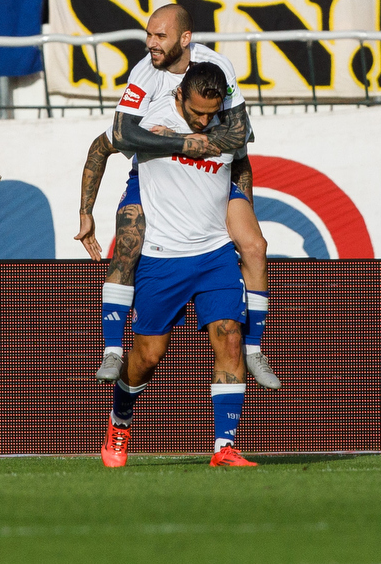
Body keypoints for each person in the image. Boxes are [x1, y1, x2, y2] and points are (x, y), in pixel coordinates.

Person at [76, 5, 276, 390]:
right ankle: (113, 349)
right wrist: (181, 143)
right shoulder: (146, 76)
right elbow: (119, 134)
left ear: (185, 39)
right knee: (129, 240)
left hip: (215, 184)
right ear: (180, 96)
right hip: (154, 177)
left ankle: (254, 349)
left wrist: (243, 205)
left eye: (159, 36)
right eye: (149, 34)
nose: (150, 43)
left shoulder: (217, 69)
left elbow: (239, 138)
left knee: (254, 246)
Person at [99, 62, 258, 469]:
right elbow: (103, 145)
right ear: (178, 97)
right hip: (162, 256)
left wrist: (243, 209)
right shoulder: (150, 122)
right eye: (197, 113)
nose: (205, 121)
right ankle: (120, 418)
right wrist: (86, 212)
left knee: (230, 340)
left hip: (215, 254)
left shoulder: (229, 124)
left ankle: (224, 446)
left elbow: (240, 163)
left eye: (211, 113)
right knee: (149, 357)